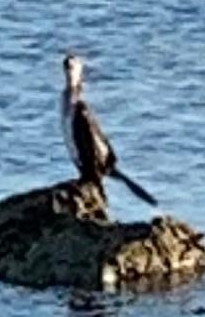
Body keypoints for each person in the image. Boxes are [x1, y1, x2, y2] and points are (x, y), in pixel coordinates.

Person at [60, 50, 158, 208]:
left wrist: (92, 176)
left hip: (97, 162)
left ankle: (91, 182)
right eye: (67, 68)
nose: (69, 71)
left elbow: (91, 144)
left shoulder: (79, 109)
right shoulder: (69, 102)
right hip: (95, 163)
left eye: (72, 68)